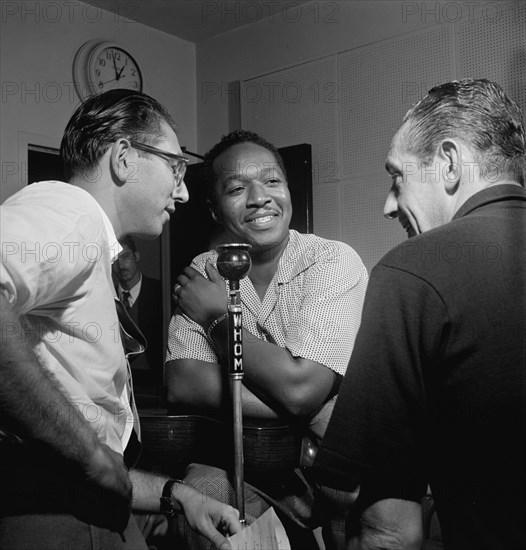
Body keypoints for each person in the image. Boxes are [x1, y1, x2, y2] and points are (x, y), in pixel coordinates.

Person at [0, 89, 242, 550]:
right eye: (175, 167)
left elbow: (95, 445)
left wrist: (180, 496)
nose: (184, 191)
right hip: (56, 517)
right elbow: (86, 456)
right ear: (124, 159)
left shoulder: (92, 241)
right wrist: (89, 454)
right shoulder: (71, 213)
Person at [313, 78, 526, 550]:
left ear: (449, 163)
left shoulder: (412, 270)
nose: (388, 204)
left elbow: (390, 531)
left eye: (397, 176)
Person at [165, 130, 368, 549]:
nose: (260, 197)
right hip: (253, 466)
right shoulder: (202, 272)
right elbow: (183, 383)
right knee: (197, 506)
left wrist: (218, 316)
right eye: (237, 189)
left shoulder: (331, 260)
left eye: (272, 181)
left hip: (344, 465)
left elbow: (301, 387)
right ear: (215, 209)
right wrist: (314, 411)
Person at [113, 236, 164, 395]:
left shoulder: (160, 291)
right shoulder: (105, 295)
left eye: (126, 256)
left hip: (155, 382)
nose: (121, 265)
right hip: (117, 384)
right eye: (114, 259)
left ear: (136, 256)